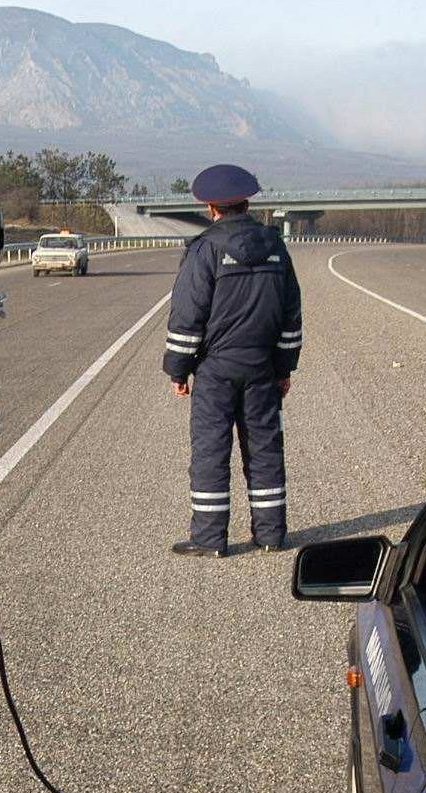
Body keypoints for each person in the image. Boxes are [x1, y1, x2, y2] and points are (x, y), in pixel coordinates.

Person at [163, 164, 303, 558]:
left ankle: (210, 540)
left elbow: (187, 317)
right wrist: (283, 367)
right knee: (265, 449)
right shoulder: (276, 246)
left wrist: (178, 368)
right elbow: (291, 314)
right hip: (261, 368)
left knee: (210, 450)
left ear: (211, 207)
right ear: (247, 202)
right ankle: (272, 535)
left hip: (216, 371)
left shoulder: (205, 249)